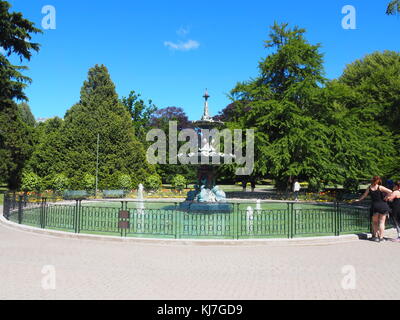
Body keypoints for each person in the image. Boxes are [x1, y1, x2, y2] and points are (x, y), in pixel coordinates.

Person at [355, 176, 392, 242]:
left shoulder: (369, 188)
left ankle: (375, 237)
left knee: (375, 222)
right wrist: (387, 197)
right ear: (379, 180)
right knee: (382, 222)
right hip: (383, 205)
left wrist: (358, 200)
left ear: (372, 180)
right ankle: (381, 238)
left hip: (375, 206)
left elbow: (364, 195)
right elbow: (390, 191)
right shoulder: (380, 187)